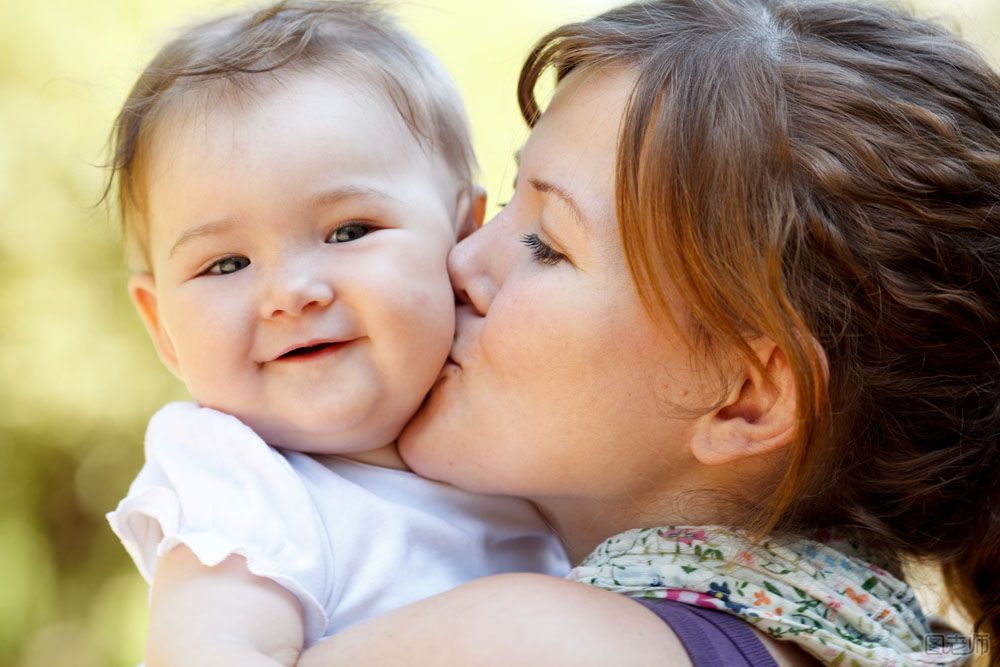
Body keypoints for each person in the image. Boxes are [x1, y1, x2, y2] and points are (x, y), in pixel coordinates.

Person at [293, 0, 1000, 665]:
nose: (458, 258)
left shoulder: (526, 640)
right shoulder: (861, 636)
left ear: (745, 397)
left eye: (546, 245)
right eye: (507, 201)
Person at [102, 2, 569, 665]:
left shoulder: (533, 425)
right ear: (163, 327)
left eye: (348, 231)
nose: (290, 293)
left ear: (464, 236)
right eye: (226, 264)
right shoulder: (243, 482)